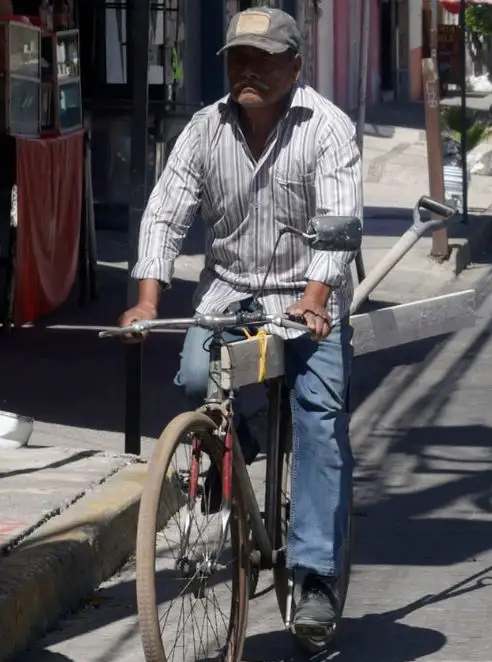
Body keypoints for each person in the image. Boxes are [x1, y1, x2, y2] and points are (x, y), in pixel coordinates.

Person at [117, 6, 361, 630]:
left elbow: (337, 227)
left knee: (319, 419)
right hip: (229, 293)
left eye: (264, 59)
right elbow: (165, 215)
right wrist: (147, 300)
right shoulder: (203, 129)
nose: (247, 70)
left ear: (296, 65)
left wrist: (316, 296)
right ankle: (233, 452)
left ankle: (314, 578)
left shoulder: (327, 128)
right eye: (237, 59)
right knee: (197, 382)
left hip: (310, 297)